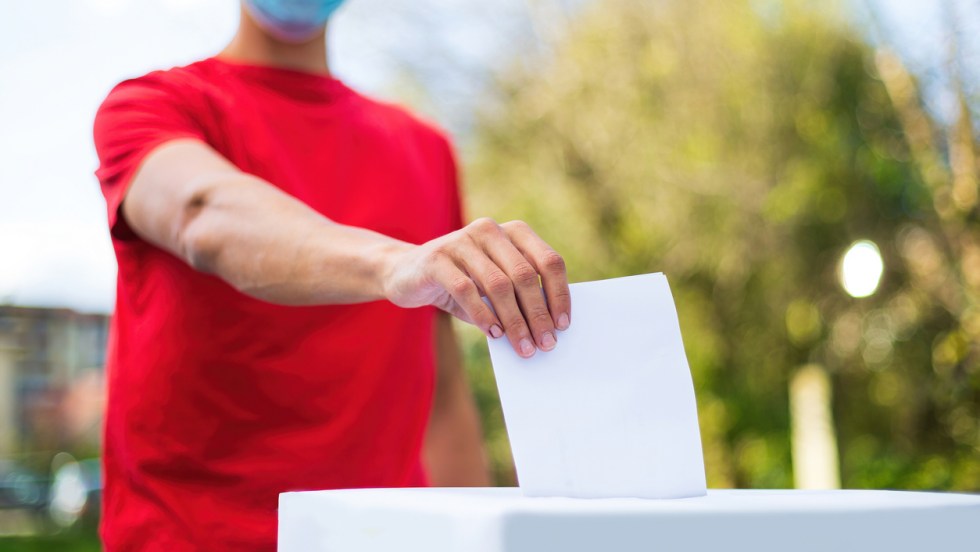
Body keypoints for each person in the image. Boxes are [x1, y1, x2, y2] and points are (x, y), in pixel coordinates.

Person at [92, 0, 571, 549]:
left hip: (386, 537)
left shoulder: (423, 147)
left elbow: (440, 392)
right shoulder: (153, 107)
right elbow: (203, 215)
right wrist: (393, 263)